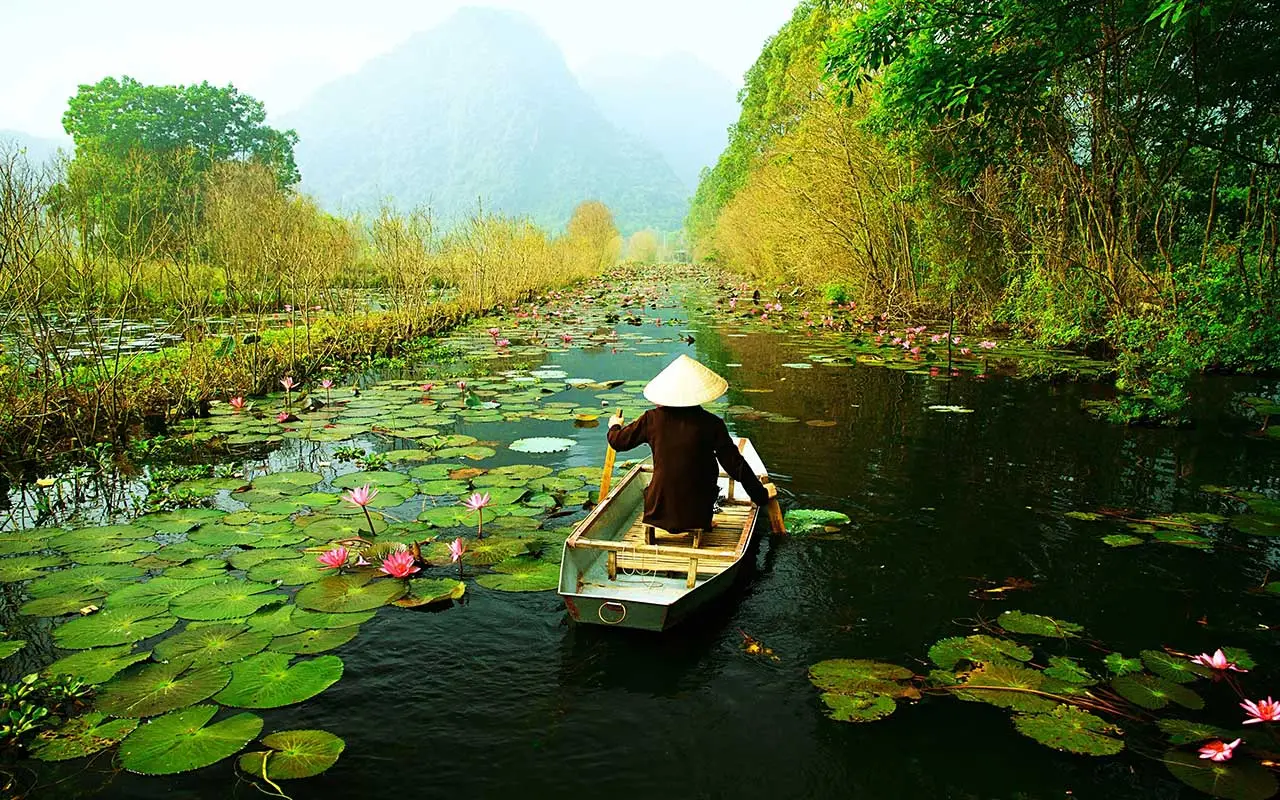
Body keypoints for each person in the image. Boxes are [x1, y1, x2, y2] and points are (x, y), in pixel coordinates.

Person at [607, 355, 774, 539]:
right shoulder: (712, 423)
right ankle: (704, 520)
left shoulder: (651, 419)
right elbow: (736, 465)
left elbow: (618, 441)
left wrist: (615, 425)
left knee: (660, 481)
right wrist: (760, 495)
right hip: (697, 513)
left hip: (658, 510)